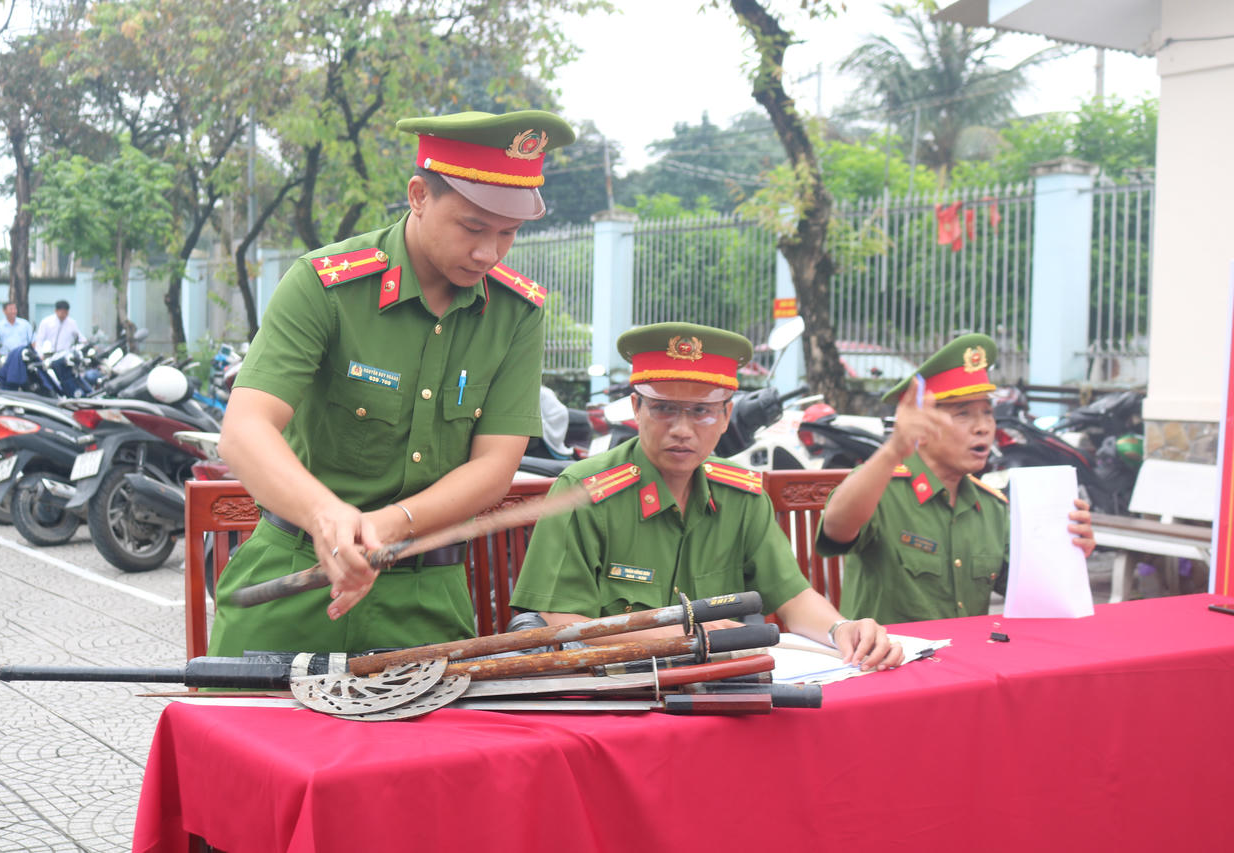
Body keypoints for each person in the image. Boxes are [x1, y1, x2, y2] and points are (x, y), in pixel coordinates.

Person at [208, 110, 575, 657]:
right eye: (473, 227)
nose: (488, 253)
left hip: (426, 602)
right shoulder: (325, 286)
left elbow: (495, 466)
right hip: (293, 577)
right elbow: (244, 430)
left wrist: (391, 523)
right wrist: (326, 516)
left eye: (508, 233)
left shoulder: (515, 312)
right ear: (419, 195)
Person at [510, 322, 904, 671]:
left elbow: (792, 596)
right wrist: (685, 634)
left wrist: (841, 629)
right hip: (616, 689)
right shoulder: (583, 492)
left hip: (722, 690)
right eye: (664, 409)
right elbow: (563, 621)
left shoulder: (742, 495)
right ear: (636, 409)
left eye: (702, 411)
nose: (682, 429)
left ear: (727, 416)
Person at [816, 334, 1097, 624]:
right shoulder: (880, 488)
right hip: (887, 662)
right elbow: (835, 528)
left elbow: (1030, 593)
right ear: (923, 426)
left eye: (988, 413)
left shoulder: (992, 508)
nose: (983, 428)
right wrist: (894, 450)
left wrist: (1070, 552)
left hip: (967, 664)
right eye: (963, 415)